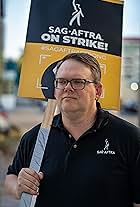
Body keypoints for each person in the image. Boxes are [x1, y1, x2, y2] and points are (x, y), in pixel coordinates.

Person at [5, 53, 140, 207]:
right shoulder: (35, 137)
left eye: (78, 82)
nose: (67, 88)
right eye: (61, 81)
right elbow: (11, 176)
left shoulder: (129, 137)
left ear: (98, 91)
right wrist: (18, 186)